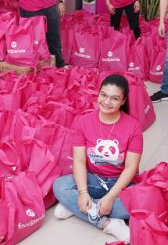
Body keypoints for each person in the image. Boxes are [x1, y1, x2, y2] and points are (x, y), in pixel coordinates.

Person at [52, 74, 142, 244]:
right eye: (103, 95)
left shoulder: (134, 127)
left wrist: (110, 197)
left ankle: (79, 207)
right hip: (93, 179)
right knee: (59, 186)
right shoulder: (83, 122)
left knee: (136, 206)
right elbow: (79, 161)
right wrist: (82, 192)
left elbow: (131, 167)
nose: (107, 102)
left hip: (121, 183)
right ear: (98, 94)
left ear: (123, 101)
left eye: (114, 98)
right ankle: (108, 223)